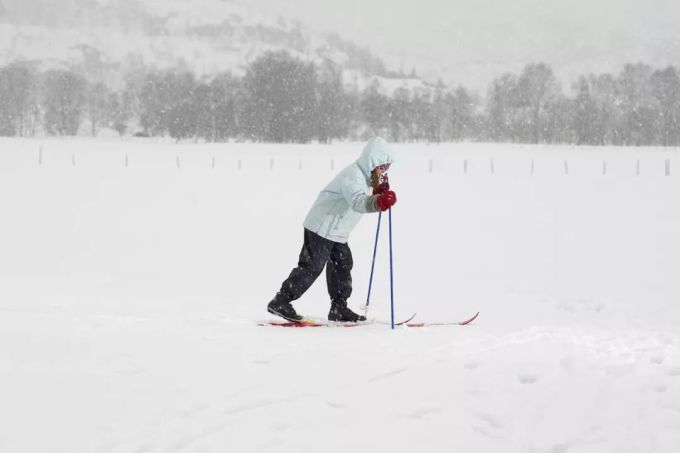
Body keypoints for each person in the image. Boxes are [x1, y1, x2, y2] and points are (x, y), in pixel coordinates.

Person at [267, 137, 398, 322]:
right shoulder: (353, 176)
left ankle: (338, 309)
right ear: (372, 162)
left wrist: (377, 193)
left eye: (387, 167)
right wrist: (378, 202)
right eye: (382, 166)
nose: (385, 171)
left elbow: (364, 196)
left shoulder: (367, 179)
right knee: (312, 266)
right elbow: (358, 202)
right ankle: (281, 300)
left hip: (337, 231)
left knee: (343, 265)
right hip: (322, 226)